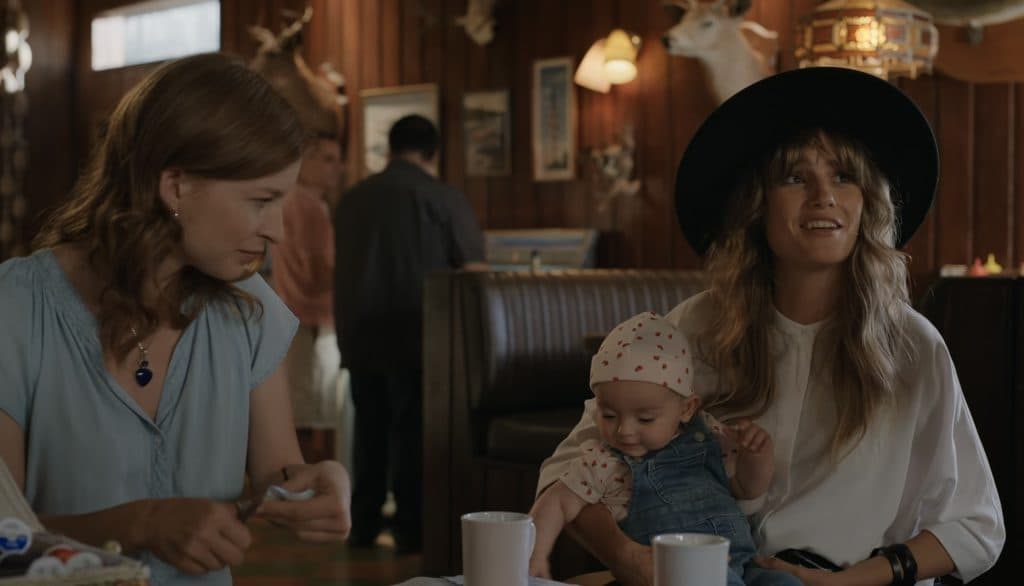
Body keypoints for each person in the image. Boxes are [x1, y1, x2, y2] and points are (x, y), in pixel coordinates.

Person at [537, 67, 1004, 586]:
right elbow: (571, 466)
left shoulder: (913, 345)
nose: (824, 196)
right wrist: (626, 560)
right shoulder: (693, 328)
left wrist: (844, 583)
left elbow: (977, 527)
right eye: (796, 177)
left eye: (844, 177)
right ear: (757, 207)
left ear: (866, 203)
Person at [0, 53, 352, 586]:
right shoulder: (17, 308)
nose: (277, 229)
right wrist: (139, 523)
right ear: (176, 186)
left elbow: (279, 479)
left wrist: (320, 486)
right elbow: (6, 538)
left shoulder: (248, 310)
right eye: (262, 200)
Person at [529, 312, 797, 586]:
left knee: (786, 583)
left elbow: (747, 488)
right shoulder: (604, 462)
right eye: (609, 415)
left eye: (645, 419)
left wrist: (756, 456)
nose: (624, 430)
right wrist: (535, 554)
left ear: (686, 409)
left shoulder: (709, 438)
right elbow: (557, 502)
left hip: (741, 564)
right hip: (670, 577)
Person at [334, 114, 486, 553]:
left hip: (359, 332)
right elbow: (475, 273)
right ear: (432, 153)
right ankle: (409, 529)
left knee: (369, 431)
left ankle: (361, 526)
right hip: (418, 334)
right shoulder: (442, 197)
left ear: (391, 148)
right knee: (411, 433)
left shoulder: (352, 199)